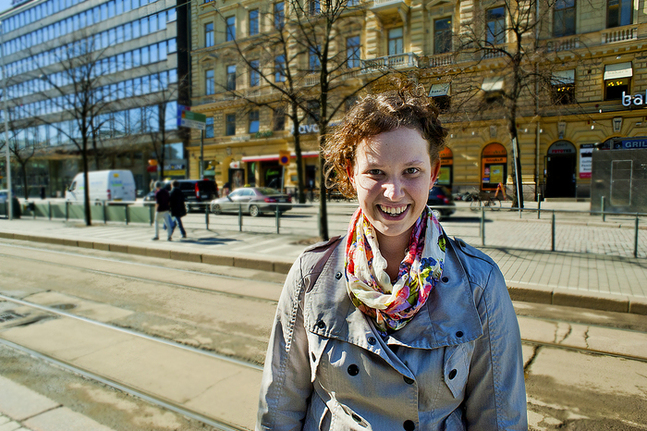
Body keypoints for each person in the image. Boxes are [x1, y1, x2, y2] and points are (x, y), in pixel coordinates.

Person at [257, 83, 527, 430]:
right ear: (349, 174)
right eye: (375, 172)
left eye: (411, 171)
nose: (394, 192)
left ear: (433, 172)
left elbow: (500, 418)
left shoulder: (478, 283)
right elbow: (279, 406)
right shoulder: (312, 275)